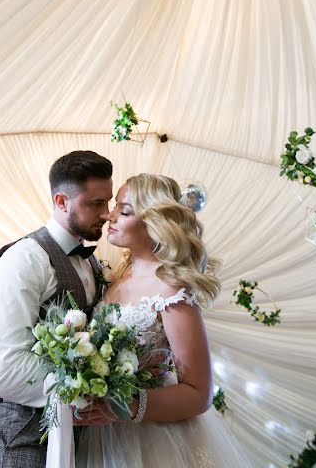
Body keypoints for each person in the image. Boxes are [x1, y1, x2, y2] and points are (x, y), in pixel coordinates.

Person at [73, 173, 253, 467]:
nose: (109, 215)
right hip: (104, 437)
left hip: (153, 439)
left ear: (154, 223)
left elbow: (199, 394)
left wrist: (127, 406)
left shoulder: (171, 290)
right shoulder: (117, 275)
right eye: (115, 206)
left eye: (125, 210)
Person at [0, 150, 114, 468]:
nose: (107, 214)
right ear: (62, 202)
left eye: (109, 202)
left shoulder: (90, 261)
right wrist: (84, 389)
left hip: (69, 444)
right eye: (96, 203)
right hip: (15, 442)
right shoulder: (24, 260)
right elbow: (4, 370)